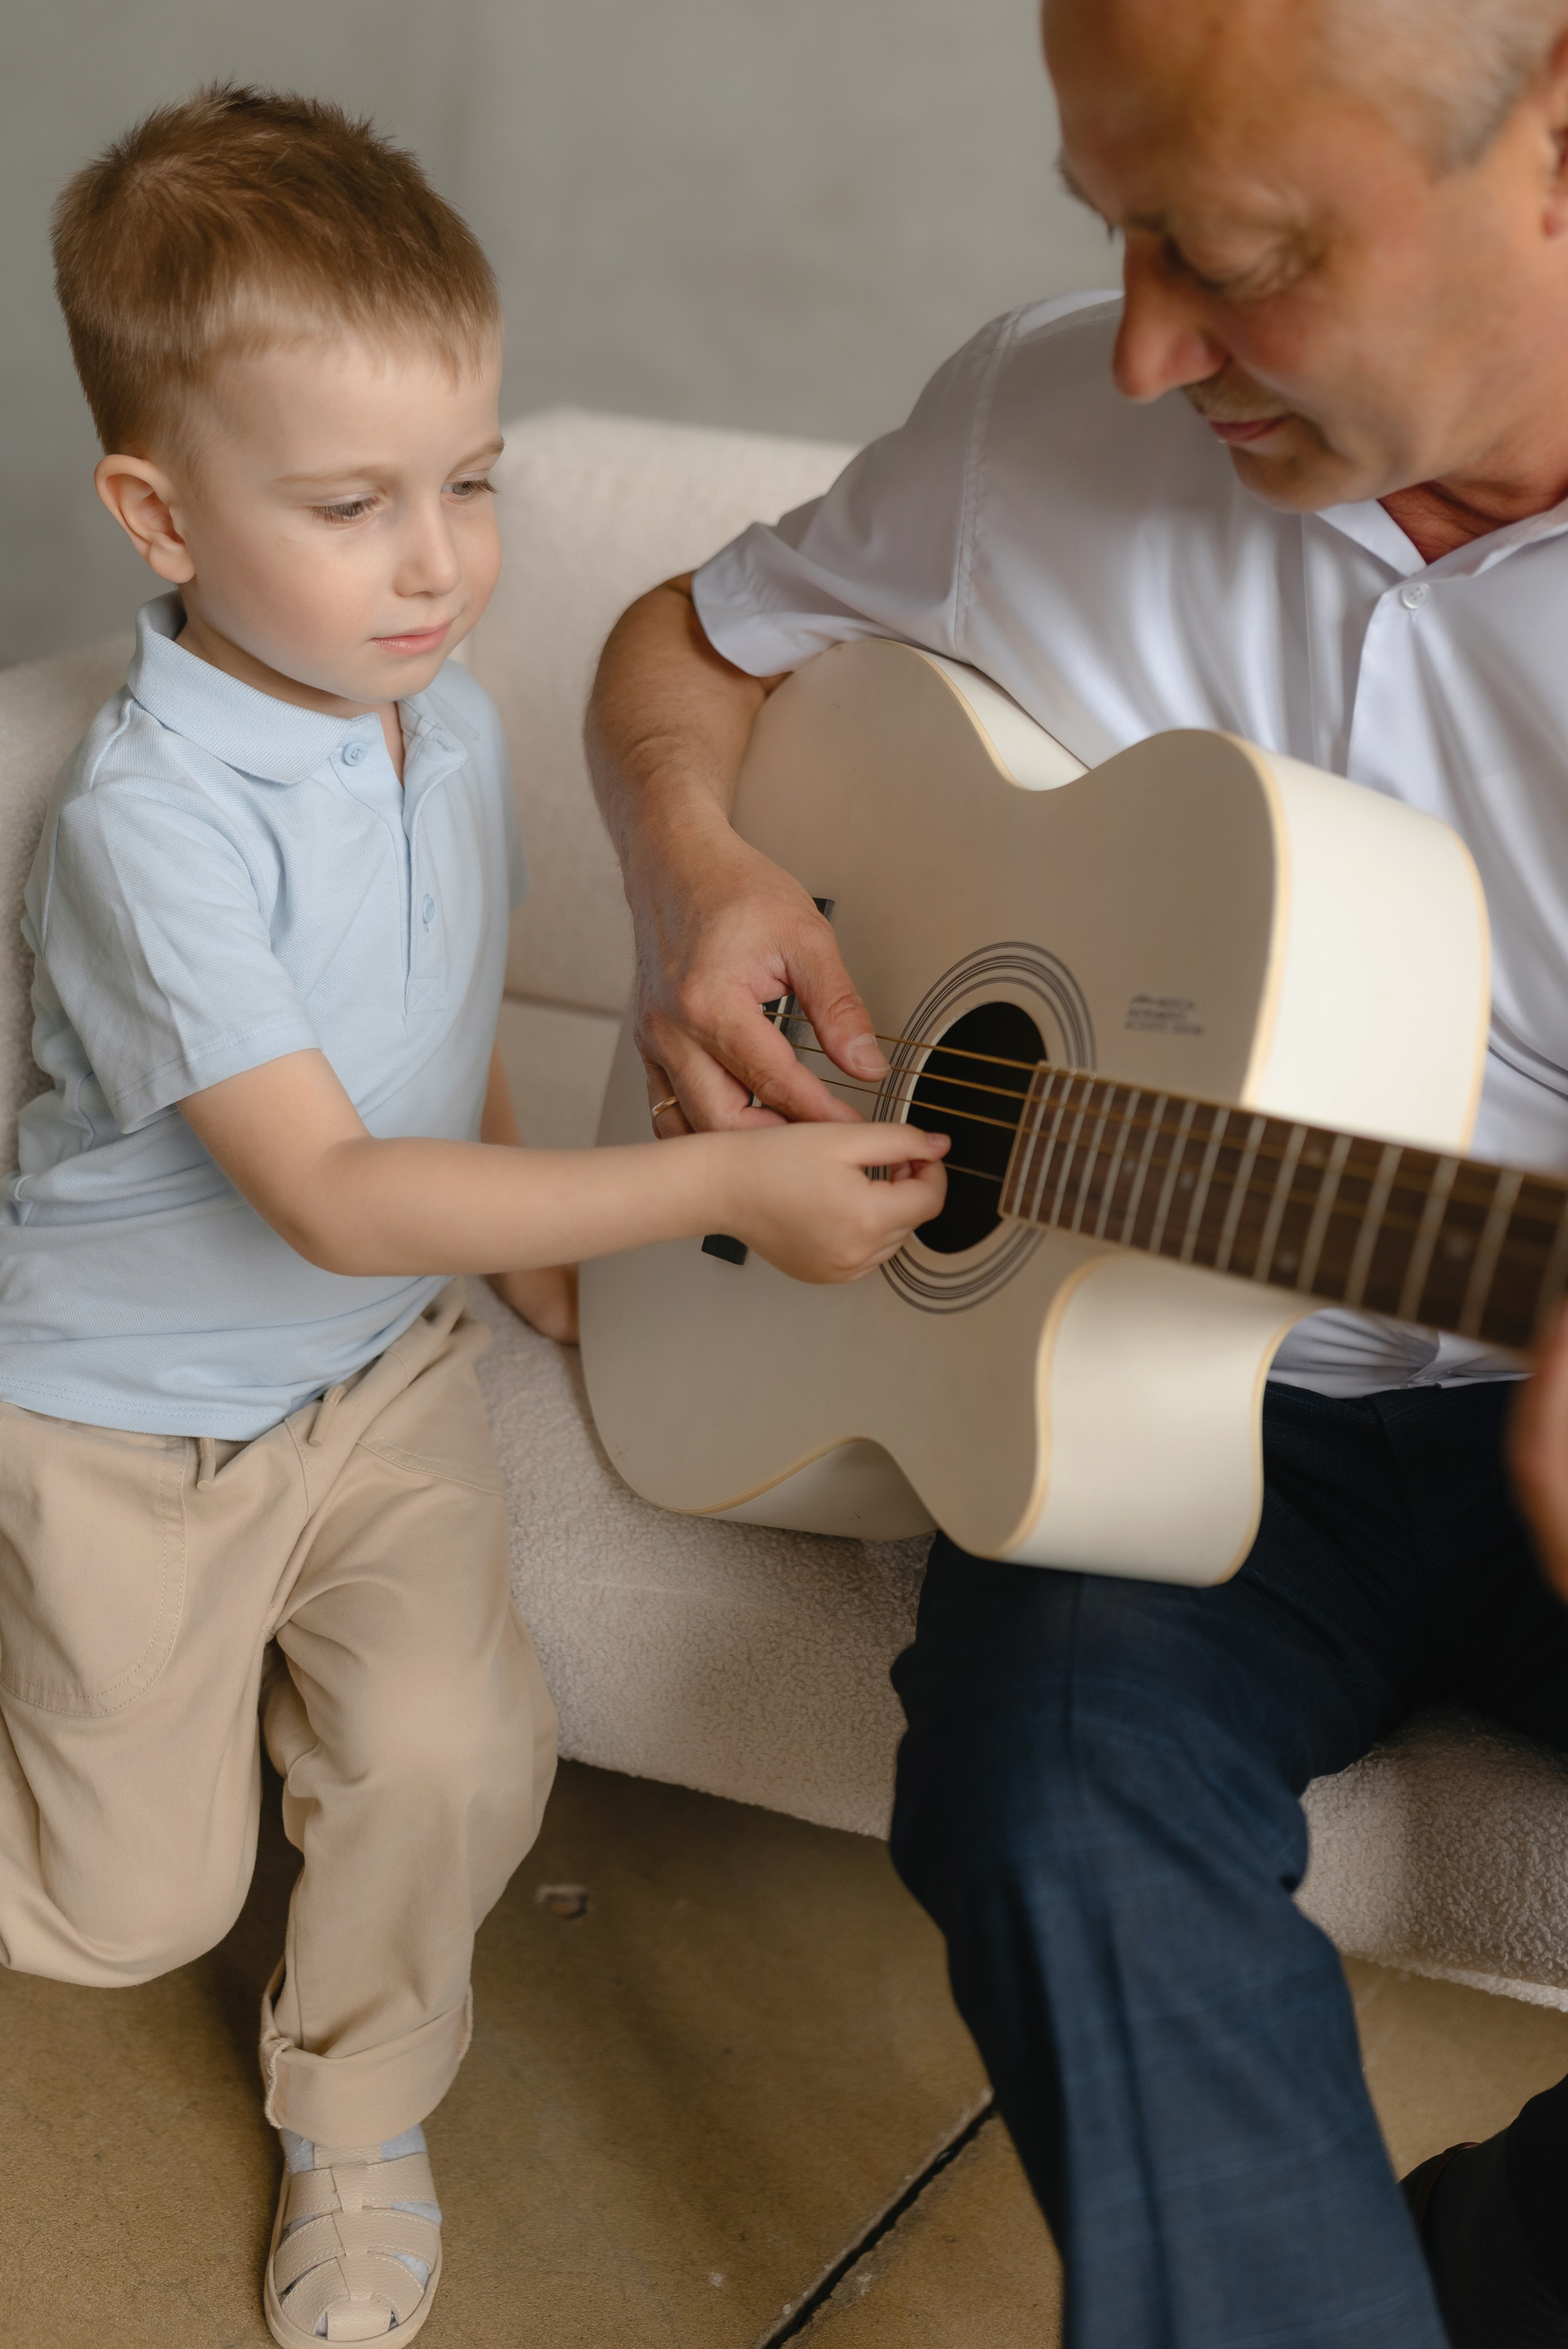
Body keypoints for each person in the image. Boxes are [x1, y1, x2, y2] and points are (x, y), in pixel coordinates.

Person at [586, 2, 1568, 2343]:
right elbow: (688, 644)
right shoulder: (1038, 416)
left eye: (1233, 252)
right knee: (1045, 1784)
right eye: (1114, 228)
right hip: (1154, 1400)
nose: (1140, 348)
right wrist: (693, 862)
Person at [3, 86, 948, 2348]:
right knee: (129, 1909)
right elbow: (332, 1186)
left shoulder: (436, 724)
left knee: (451, 1746)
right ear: (159, 514)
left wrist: (526, 1242)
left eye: (473, 481)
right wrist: (711, 1184)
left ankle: (358, 2111)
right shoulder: (155, 828)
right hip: (122, 1417)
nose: (437, 564)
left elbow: (435, 1036)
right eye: (351, 506)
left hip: (380, 1371)